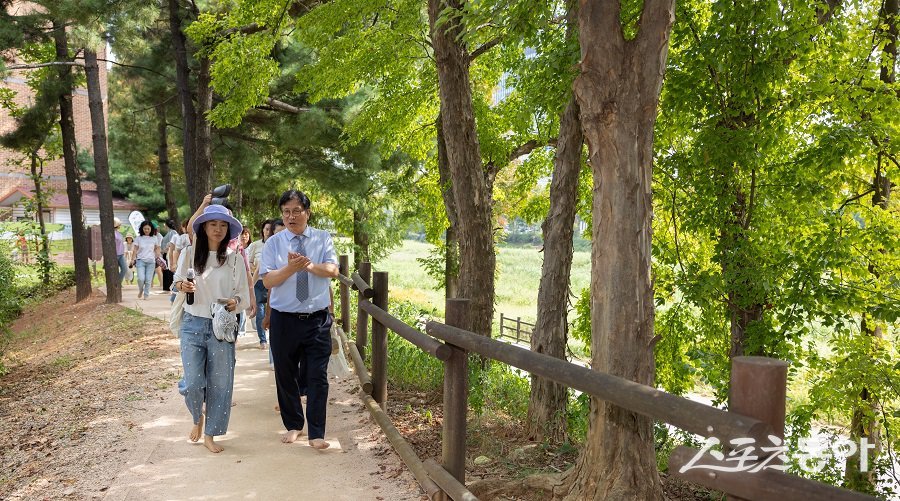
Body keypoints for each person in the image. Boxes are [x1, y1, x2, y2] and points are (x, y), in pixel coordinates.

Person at [261, 190, 338, 450]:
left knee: (318, 376)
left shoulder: (322, 238)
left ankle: (317, 432)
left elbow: (333, 270)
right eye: (286, 212)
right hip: (285, 319)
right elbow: (268, 280)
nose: (291, 216)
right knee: (286, 374)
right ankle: (294, 425)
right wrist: (289, 269)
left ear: (307, 212)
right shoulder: (274, 243)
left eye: (296, 211)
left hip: (317, 319)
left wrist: (308, 266)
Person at [172, 204, 249, 454]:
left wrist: (234, 302)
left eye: (223, 225)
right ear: (204, 227)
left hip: (221, 326)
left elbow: (243, 297)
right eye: (213, 224)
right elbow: (176, 282)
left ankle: (210, 434)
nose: (218, 229)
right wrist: (182, 285)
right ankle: (197, 415)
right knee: (193, 383)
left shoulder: (235, 259)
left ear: (229, 230)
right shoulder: (190, 254)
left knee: (220, 383)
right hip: (193, 324)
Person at [246, 220, 272, 349]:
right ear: (262, 230)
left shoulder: (277, 245)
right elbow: (248, 263)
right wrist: (255, 267)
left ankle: (273, 338)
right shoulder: (255, 245)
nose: (268, 231)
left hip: (274, 282)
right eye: (266, 229)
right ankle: (262, 339)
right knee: (260, 311)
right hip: (258, 282)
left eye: (270, 229)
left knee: (273, 310)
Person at [131, 221, 161, 300]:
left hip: (151, 261)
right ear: (142, 229)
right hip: (140, 261)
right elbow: (135, 250)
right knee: (141, 279)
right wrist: (132, 259)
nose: (146, 230)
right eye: (145, 229)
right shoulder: (138, 238)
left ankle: (146, 294)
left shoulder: (154, 238)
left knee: (148, 280)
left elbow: (157, 248)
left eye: (148, 229)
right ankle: (141, 290)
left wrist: (158, 254)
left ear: (151, 229)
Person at [160, 218, 179, 292]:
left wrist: (165, 249)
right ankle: (166, 287)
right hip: (165, 253)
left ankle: (169, 287)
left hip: (168, 253)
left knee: (169, 270)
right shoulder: (169, 232)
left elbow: (171, 243)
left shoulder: (173, 232)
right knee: (165, 270)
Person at [114, 218, 127, 284]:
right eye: (119, 224)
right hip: (115, 255)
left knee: (124, 269)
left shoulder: (118, 233)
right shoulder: (112, 233)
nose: (120, 225)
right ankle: (116, 284)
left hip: (121, 254)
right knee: (114, 271)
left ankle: (118, 283)